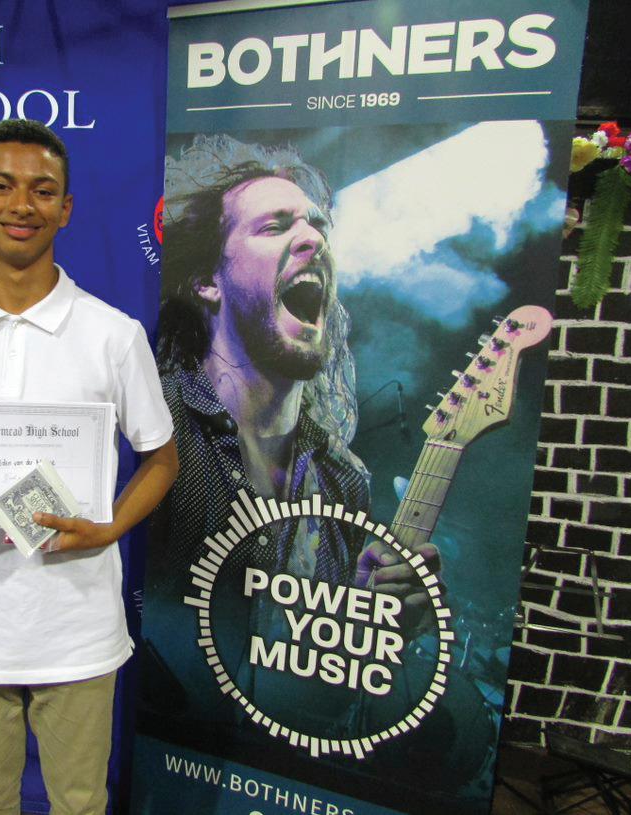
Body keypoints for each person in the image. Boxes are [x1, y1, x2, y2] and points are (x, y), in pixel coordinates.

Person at [0, 119, 178, 815]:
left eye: (43, 191)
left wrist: (109, 529)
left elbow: (162, 459)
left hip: (74, 622)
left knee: (78, 801)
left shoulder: (113, 335)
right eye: (2, 186)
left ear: (66, 209)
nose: (22, 204)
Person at [141, 135, 439, 736]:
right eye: (275, 226)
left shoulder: (344, 479)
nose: (313, 239)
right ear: (207, 281)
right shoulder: (154, 424)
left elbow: (321, 664)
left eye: (318, 225)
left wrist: (375, 617)